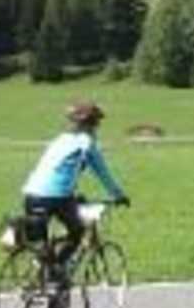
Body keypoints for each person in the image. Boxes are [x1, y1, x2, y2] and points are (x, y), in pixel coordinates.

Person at [21, 102, 129, 294]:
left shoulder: (59, 140)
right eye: (96, 124)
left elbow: (56, 171)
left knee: (42, 239)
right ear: (92, 124)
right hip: (56, 197)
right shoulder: (86, 143)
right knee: (78, 231)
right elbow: (102, 172)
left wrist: (72, 195)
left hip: (32, 194)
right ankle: (56, 270)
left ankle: (44, 265)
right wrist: (118, 195)